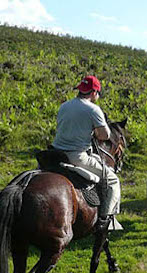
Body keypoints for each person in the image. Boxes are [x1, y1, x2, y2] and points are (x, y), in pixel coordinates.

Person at [52, 75, 122, 231]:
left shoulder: (64, 106)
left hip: (54, 152)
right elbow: (104, 136)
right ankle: (106, 220)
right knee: (112, 181)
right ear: (94, 92)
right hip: (76, 156)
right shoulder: (93, 109)